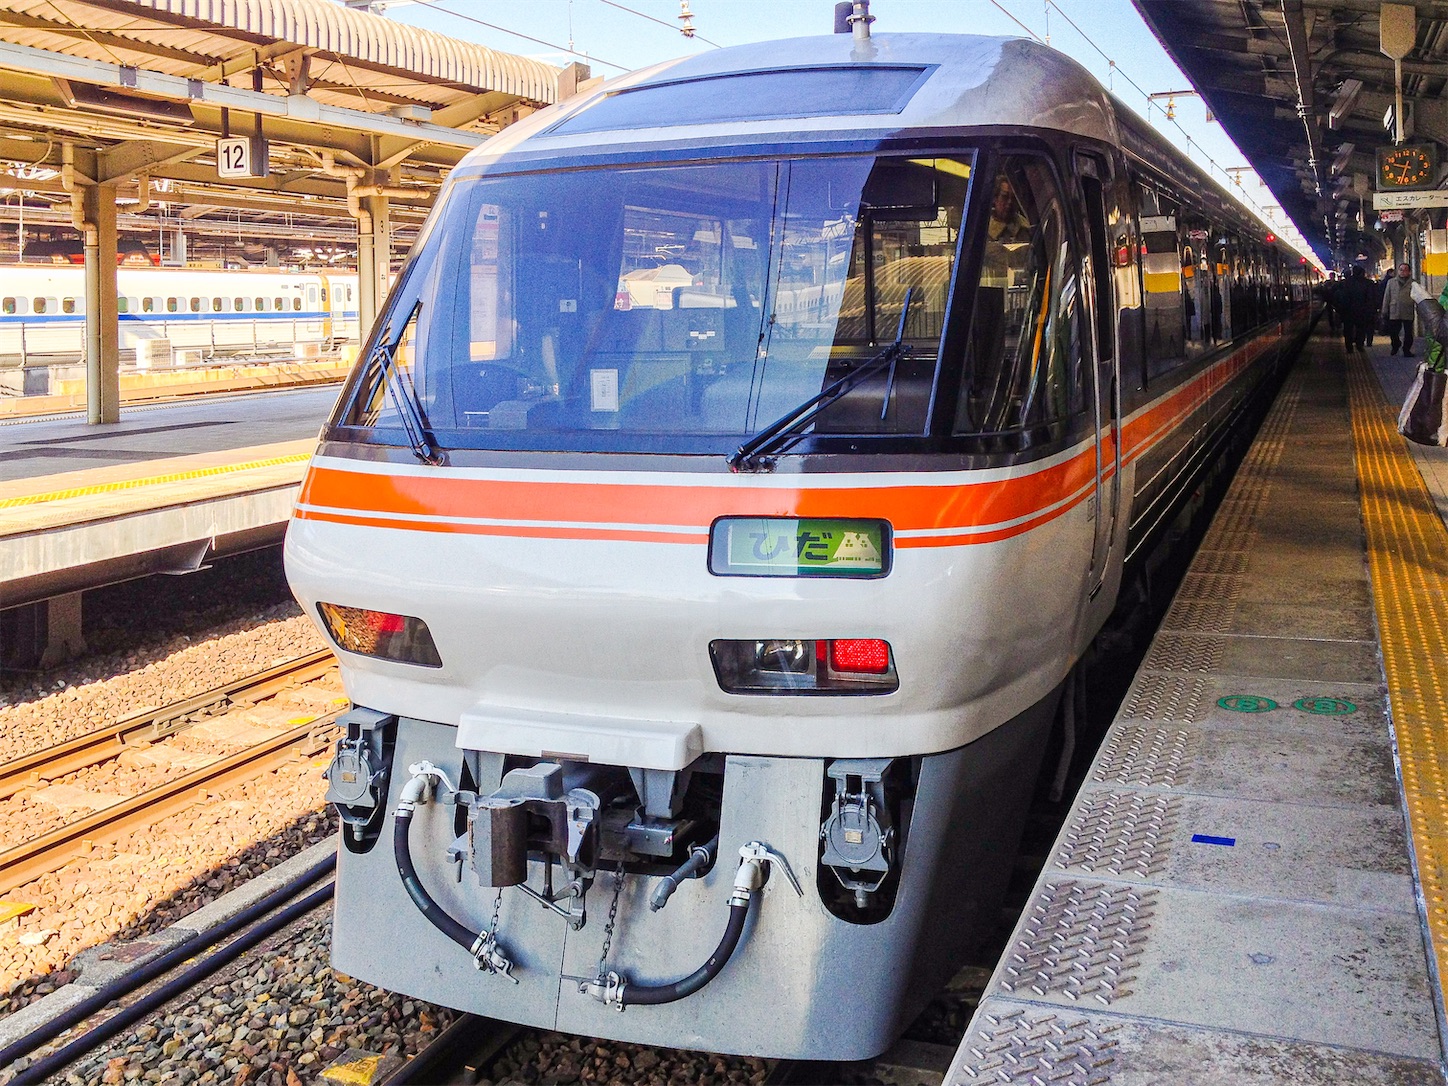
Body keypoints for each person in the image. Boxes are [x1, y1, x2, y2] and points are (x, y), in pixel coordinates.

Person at [1381, 262, 1418, 356]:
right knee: (1393, 332)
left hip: (1407, 310)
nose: (1403, 272)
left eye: (1405, 270)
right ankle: (1395, 345)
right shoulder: (1391, 282)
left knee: (1408, 333)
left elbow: (1418, 297)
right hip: (1394, 310)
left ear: (1409, 272)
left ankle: (1406, 350)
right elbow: (1387, 296)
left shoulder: (1413, 283)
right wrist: (1384, 310)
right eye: (1401, 270)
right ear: (1398, 271)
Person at [1339, 265, 1378, 351]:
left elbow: (1341, 298)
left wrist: (1341, 310)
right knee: (1361, 329)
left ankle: (1349, 347)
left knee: (1348, 329)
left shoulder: (1345, 283)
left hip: (1348, 311)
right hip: (1362, 311)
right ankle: (1359, 345)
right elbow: (1371, 298)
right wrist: (1372, 310)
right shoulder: (1368, 283)